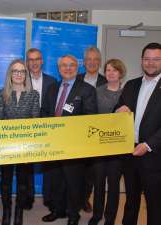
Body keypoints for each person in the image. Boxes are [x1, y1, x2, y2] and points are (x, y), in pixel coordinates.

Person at [42, 55, 97, 225]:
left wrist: (69, 133)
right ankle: (57, 211)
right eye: (64, 65)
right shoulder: (52, 88)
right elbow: (44, 112)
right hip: (53, 143)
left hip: (74, 145)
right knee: (56, 180)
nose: (67, 68)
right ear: (59, 69)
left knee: (74, 182)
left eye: (71, 65)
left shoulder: (87, 89)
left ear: (77, 67)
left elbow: (90, 117)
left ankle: (74, 215)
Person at [116, 42, 161, 225]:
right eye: (147, 59)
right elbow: (117, 109)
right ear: (142, 61)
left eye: (156, 59)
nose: (151, 63)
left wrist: (149, 145)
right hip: (130, 153)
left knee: (155, 204)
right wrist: (118, 109)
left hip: (154, 155)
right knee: (131, 201)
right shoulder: (131, 85)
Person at [0, 59, 40, 225]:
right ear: (10, 74)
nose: (19, 74)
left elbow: (35, 122)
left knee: (23, 182)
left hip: (26, 147)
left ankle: (19, 212)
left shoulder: (34, 94)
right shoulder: (3, 94)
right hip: (6, 147)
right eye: (15, 71)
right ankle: (7, 210)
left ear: (26, 74)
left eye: (22, 71)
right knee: (5, 181)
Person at [26, 48, 65, 222]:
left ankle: (50, 199)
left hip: (48, 130)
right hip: (26, 130)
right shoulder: (21, 79)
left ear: (42, 61)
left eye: (37, 59)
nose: (34, 62)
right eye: (30, 60)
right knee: (25, 166)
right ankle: (27, 199)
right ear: (27, 62)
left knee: (50, 167)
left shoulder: (52, 81)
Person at [88, 59, 126, 225]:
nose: (111, 73)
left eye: (114, 70)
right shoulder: (97, 91)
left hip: (118, 147)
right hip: (99, 145)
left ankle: (109, 218)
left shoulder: (127, 93)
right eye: (108, 70)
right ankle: (96, 216)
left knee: (113, 185)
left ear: (120, 73)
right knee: (98, 183)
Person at [78, 46, 107, 212]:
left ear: (100, 62)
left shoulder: (106, 81)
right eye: (89, 59)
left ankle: (84, 199)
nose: (92, 62)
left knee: (91, 171)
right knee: (76, 168)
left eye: (96, 59)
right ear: (84, 62)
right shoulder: (76, 78)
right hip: (77, 132)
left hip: (97, 134)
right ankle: (74, 197)